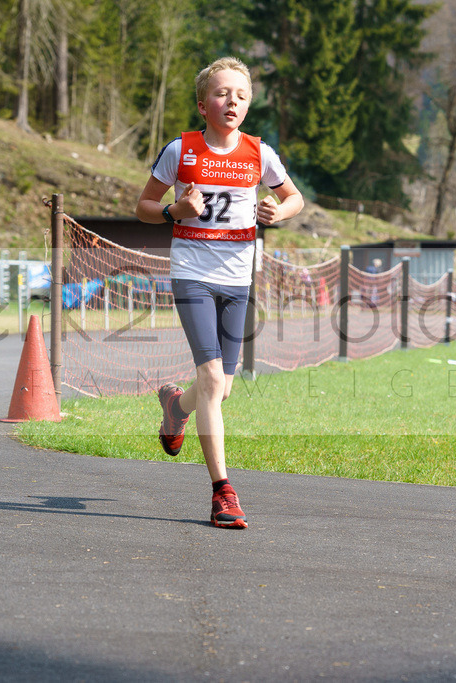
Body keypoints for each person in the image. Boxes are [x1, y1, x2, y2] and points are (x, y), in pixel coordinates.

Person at [135, 57, 304, 529]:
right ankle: (222, 493)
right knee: (211, 377)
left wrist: (279, 212)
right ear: (202, 104)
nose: (232, 101)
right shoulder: (181, 150)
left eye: (241, 95)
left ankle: (176, 406)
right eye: (222, 93)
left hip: (238, 279)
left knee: (221, 390)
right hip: (192, 273)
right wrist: (174, 209)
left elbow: (295, 197)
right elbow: (144, 206)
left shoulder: (259, 153)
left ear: (248, 106)